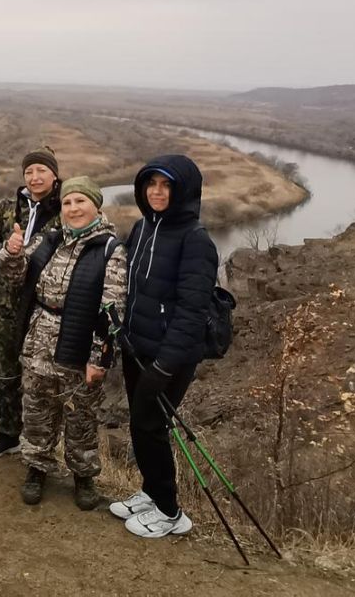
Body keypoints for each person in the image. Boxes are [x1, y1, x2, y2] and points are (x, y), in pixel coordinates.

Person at [0, 177, 126, 511]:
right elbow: (14, 278)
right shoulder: (48, 240)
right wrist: (12, 253)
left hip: (80, 347)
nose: (73, 208)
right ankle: (36, 468)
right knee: (37, 410)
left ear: (96, 206)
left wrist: (99, 358)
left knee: (81, 416)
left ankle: (83, 476)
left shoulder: (110, 249)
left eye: (81, 201)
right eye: (68, 202)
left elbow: (112, 310)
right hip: (38, 342)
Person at [109, 155, 218, 538]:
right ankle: (152, 492)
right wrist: (122, 330)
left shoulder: (195, 240)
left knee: (151, 425)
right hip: (137, 346)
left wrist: (164, 366)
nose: (156, 192)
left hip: (169, 357)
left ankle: (170, 511)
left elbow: (192, 311)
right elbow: (133, 287)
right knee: (141, 425)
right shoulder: (142, 228)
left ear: (183, 191)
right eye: (151, 183)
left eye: (166, 185)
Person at [0, 146, 63, 459]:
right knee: (5, 373)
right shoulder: (9, 207)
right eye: (29, 171)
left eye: (41, 170)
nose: (35, 177)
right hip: (6, 303)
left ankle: (40, 444)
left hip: (44, 308)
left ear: (54, 175)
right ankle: (7, 434)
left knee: (41, 380)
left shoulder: (65, 209)